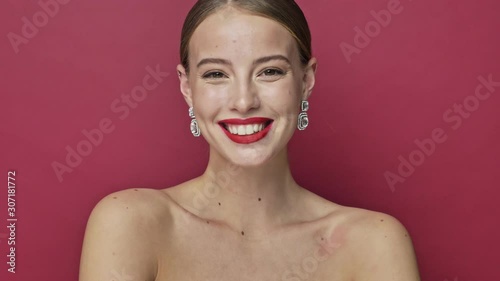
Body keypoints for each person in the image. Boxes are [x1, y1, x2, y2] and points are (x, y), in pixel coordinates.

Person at [79, 0, 421, 280]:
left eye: (269, 71)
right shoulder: (131, 223)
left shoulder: (374, 242)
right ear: (187, 87)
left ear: (306, 80)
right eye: (216, 74)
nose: (244, 102)